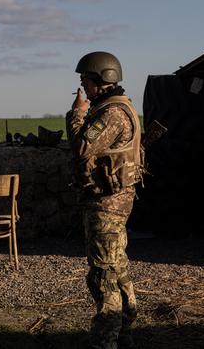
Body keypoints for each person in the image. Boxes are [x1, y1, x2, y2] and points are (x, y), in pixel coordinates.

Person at [66, 52, 143, 349]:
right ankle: (125, 330)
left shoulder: (111, 113)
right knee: (117, 267)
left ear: (103, 79)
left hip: (106, 205)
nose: (82, 85)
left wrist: (77, 113)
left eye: (85, 79)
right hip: (114, 202)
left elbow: (82, 147)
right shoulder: (117, 108)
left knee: (103, 274)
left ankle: (106, 339)